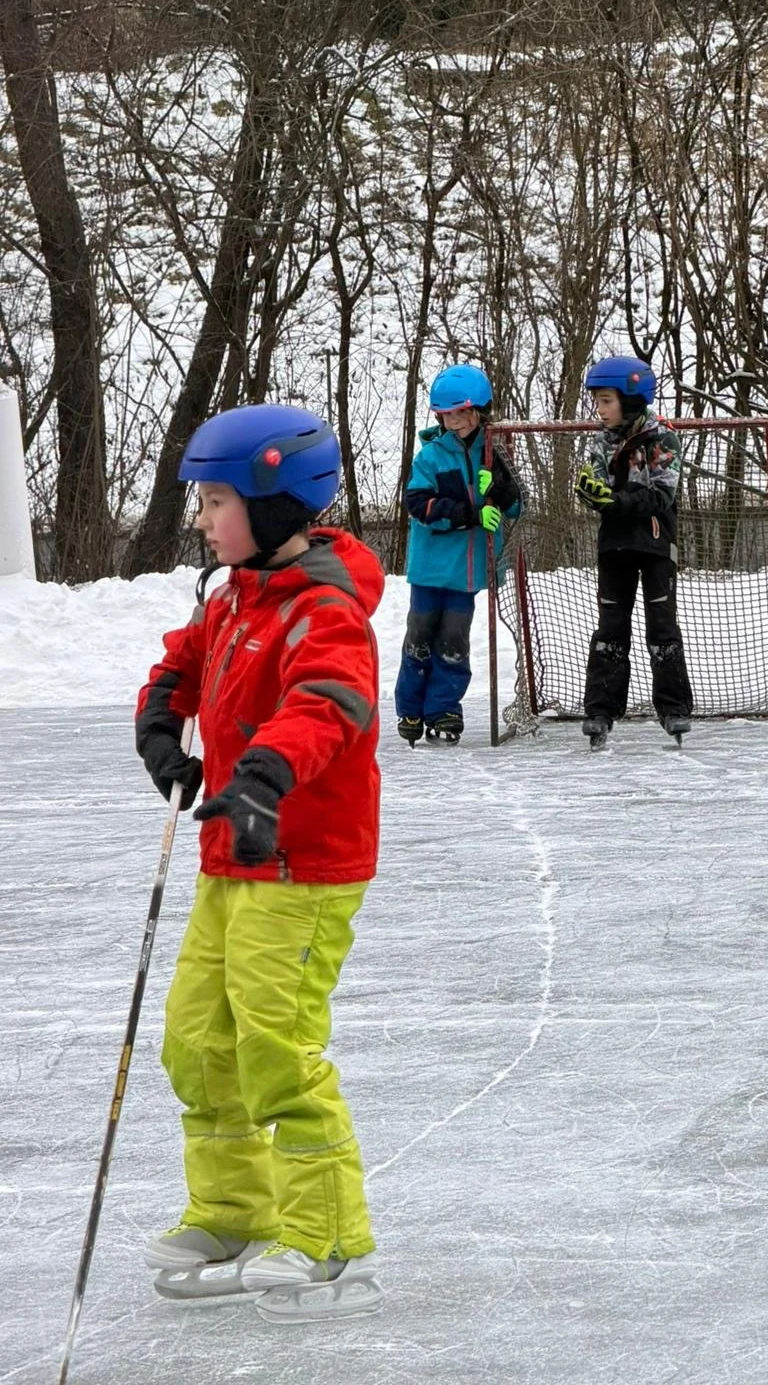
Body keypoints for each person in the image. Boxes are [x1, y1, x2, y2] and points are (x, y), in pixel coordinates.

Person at [134, 403, 385, 1323]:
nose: (202, 518)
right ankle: (234, 1210)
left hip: (305, 863)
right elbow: (181, 665)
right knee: (200, 1040)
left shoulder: (326, 610)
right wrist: (160, 721)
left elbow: (328, 705)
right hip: (229, 858)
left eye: (215, 500)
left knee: (276, 1044)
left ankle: (325, 1234)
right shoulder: (232, 595)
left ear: (279, 504)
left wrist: (263, 779)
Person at [394, 363, 521, 745]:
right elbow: (418, 504)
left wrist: (498, 488)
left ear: (479, 411)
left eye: (462, 413)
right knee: (419, 636)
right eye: (447, 414)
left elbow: (517, 506)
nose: (454, 422)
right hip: (432, 569)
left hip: (467, 573)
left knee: (453, 641)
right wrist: (469, 513)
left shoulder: (494, 453)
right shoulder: (430, 457)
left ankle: (444, 708)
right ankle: (411, 709)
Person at [575, 355, 694, 744]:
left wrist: (615, 501)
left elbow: (661, 494)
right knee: (611, 627)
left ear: (631, 399)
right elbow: (595, 484)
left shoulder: (664, 439)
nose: (600, 409)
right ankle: (601, 710)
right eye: (597, 401)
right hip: (614, 547)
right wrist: (592, 495)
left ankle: (674, 708)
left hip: (656, 545)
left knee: (662, 626)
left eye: (606, 400)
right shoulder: (600, 441)